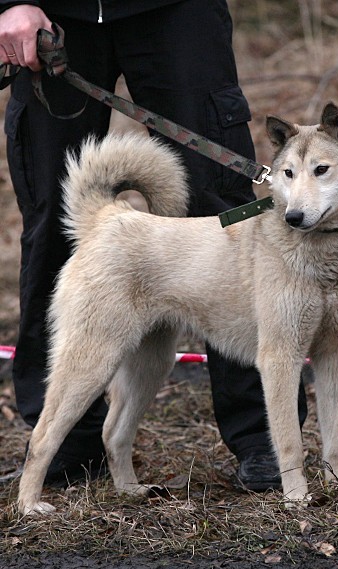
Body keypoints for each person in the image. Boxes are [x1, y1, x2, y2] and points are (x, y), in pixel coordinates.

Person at [0, 0, 307, 491]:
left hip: (174, 9)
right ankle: (63, 445)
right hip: (55, 13)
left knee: (224, 211)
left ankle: (265, 438)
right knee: (55, 226)